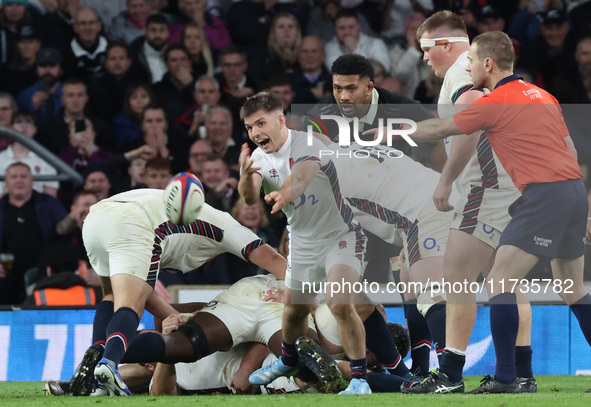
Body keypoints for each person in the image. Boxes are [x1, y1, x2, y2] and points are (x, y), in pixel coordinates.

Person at [393, 30, 591, 393]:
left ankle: (506, 379)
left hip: (543, 196)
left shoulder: (495, 101)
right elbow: (571, 151)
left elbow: (441, 128)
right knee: (572, 288)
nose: (466, 67)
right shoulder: (544, 95)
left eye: (470, 61)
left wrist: (389, 130)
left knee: (500, 281)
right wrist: (585, 209)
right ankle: (517, 375)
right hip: (575, 192)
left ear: (488, 63)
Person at [392, 12, 535, 394]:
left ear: (446, 45)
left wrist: (446, 180)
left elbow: (471, 110)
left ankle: (450, 375)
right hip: (513, 183)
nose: (424, 58)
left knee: (455, 276)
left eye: (425, 49)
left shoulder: (461, 69)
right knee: (505, 280)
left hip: (485, 186)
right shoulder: (482, 73)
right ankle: (521, 374)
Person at [68, 188, 288, 396]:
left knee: (112, 296)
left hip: (97, 217)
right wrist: (292, 291)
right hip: (134, 221)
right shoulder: (226, 226)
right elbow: (273, 259)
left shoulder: (191, 223)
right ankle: (108, 364)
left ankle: (94, 367)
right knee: (129, 304)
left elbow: (142, 291)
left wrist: (172, 315)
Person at [238, 92, 371, 395]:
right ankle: (287, 360)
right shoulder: (258, 158)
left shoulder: (308, 144)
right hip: (301, 241)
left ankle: (360, 379)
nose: (256, 132)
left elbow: (300, 179)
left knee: (339, 302)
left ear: (280, 120)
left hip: (342, 235)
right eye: (249, 127)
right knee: (293, 312)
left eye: (261, 123)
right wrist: (245, 176)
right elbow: (247, 197)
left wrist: (284, 194)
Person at [0, 162, 67, 305]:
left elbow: (66, 234)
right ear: (6, 182)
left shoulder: (49, 203)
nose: (19, 180)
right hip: (5, 281)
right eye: (14, 177)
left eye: (23, 176)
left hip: (43, 277)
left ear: (32, 181)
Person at [0, 110, 59, 197]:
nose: (23, 126)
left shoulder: (46, 159)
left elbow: (50, 197)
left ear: (35, 129)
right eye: (18, 121)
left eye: (28, 122)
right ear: (11, 128)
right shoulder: (0, 158)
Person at [324, 9, 390, 73]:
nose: (347, 32)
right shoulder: (329, 47)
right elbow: (337, 72)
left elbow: (382, 70)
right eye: (341, 28)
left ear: (358, 27)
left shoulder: (376, 43)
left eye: (351, 27)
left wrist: (355, 50)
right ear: (335, 29)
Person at [16, 47, 64, 126]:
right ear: (36, 69)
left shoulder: (71, 93)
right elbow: (19, 127)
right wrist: (33, 108)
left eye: (52, 65)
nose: (47, 70)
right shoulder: (24, 96)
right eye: (42, 65)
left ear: (61, 70)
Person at [62, 6, 108, 82]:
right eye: (83, 23)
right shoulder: (65, 54)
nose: (87, 28)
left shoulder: (111, 49)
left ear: (99, 26)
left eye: (91, 23)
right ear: (75, 27)